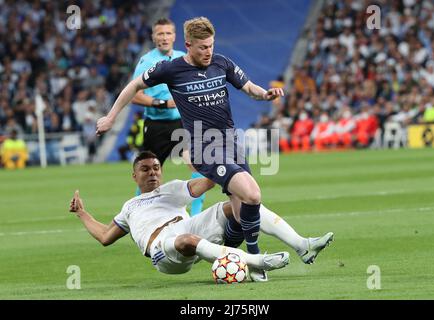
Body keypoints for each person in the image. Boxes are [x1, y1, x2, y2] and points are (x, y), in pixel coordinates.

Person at [96, 17, 285, 281]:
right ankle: (254, 258)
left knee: (244, 205)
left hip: (231, 143)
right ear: (188, 45)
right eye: (202, 47)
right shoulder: (170, 69)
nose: (208, 51)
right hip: (201, 145)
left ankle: (237, 255)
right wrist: (111, 117)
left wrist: (265, 94)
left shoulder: (222, 63)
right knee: (250, 194)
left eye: (210, 45)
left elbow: (249, 87)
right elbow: (134, 85)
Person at [69, 151, 334, 280]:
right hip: (162, 248)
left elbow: (207, 181)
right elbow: (105, 236)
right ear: (134, 175)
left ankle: (303, 245)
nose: (152, 172)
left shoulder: (171, 189)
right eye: (146, 169)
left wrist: (196, 164)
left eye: (156, 168)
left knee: (238, 203)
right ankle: (255, 261)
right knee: (186, 240)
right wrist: (82, 213)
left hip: (188, 226)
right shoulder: (130, 207)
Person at [130, 18, 205, 215]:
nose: (164, 37)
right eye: (160, 34)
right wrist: (162, 103)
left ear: (174, 36)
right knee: (148, 175)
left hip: (182, 122)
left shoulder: (184, 58)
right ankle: (138, 215)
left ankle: (195, 219)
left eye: (168, 33)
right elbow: (134, 95)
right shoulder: (146, 62)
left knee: (197, 165)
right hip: (156, 125)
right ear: (154, 37)